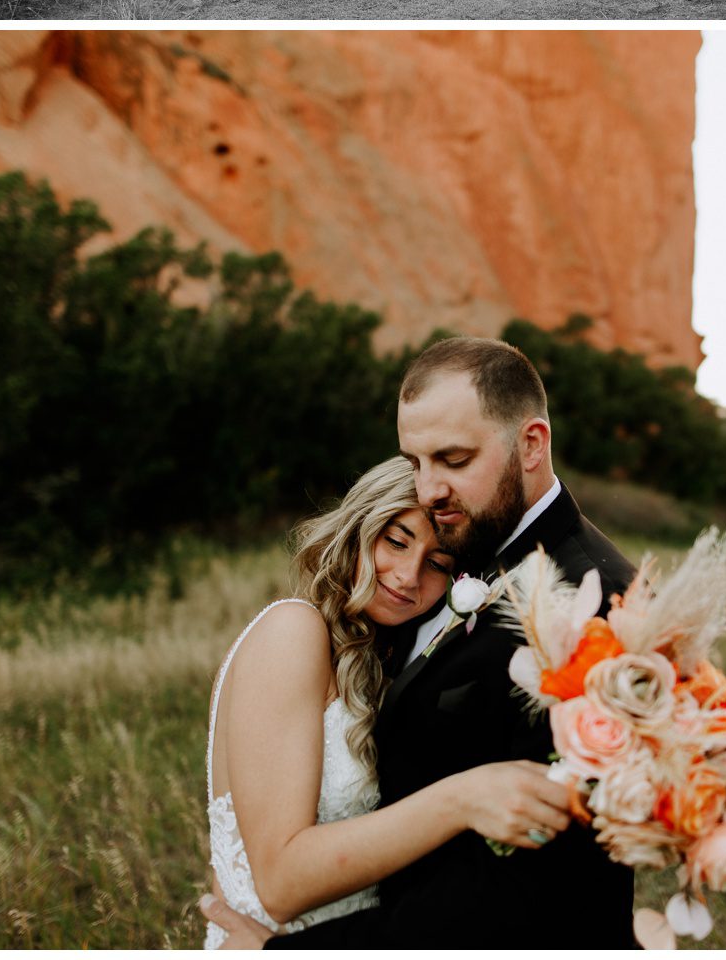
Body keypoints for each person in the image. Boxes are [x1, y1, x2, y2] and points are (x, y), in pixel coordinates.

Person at [204, 336, 638, 951]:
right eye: (414, 461)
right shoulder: (436, 574)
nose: (431, 489)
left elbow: (535, 893)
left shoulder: (592, 597)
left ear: (532, 444)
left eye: (453, 459)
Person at [200, 456, 575, 946]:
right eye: (395, 541)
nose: (406, 575)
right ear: (359, 527)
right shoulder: (291, 631)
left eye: (438, 564)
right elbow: (278, 882)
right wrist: (465, 798)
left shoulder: (381, 665)